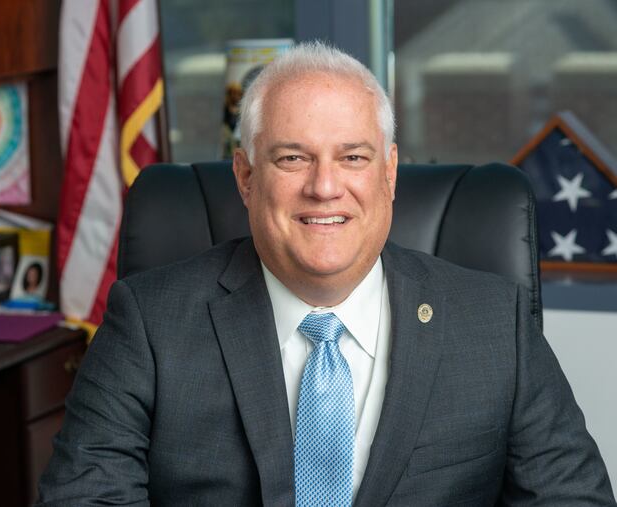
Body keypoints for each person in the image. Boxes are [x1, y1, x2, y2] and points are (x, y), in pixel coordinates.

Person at [37, 42, 615, 506]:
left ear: (389, 173)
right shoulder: (147, 322)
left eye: (353, 157)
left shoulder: (494, 323)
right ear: (246, 177)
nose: (324, 187)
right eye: (293, 158)